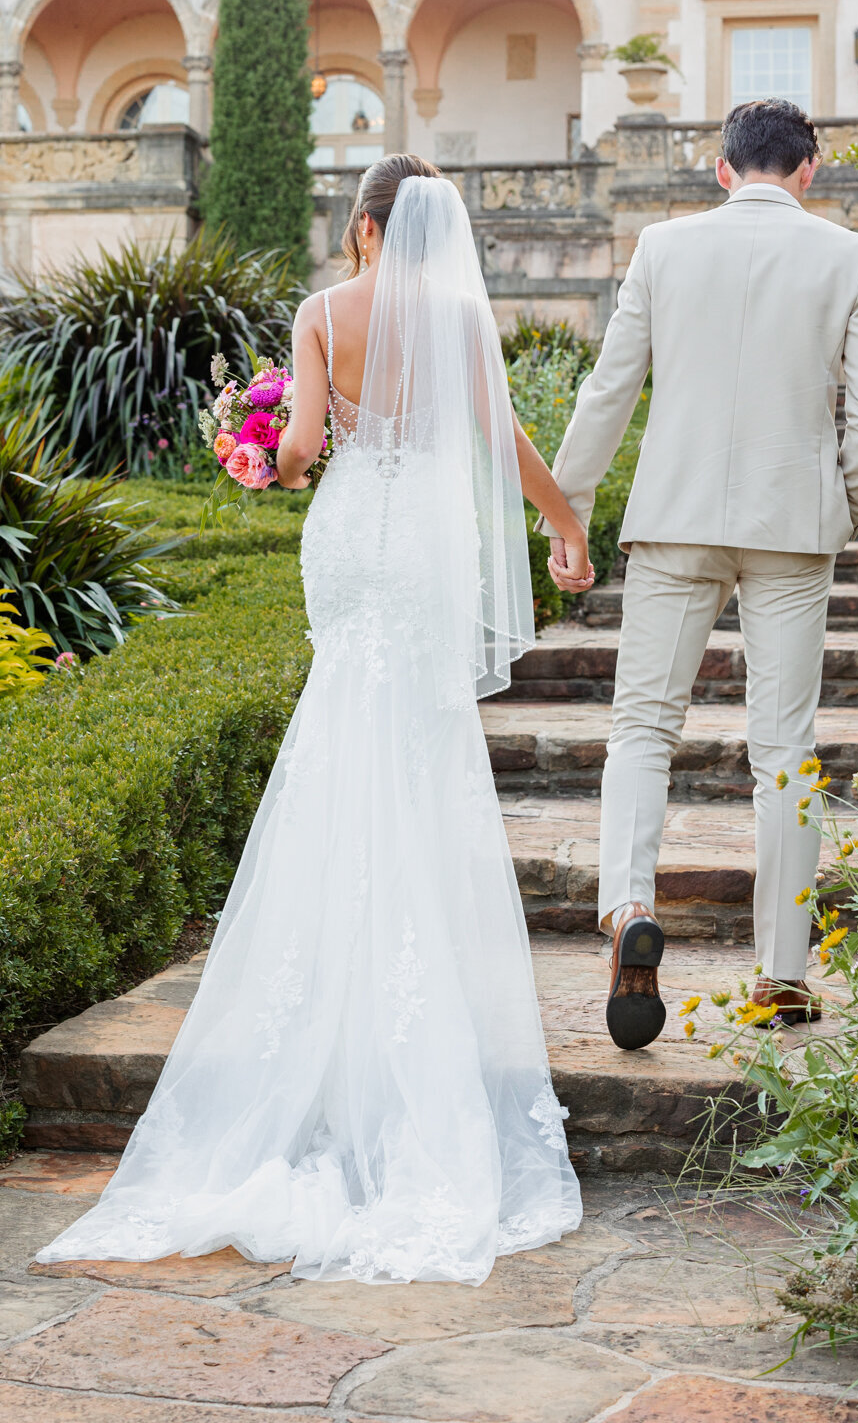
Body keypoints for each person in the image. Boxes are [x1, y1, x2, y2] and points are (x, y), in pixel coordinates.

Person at [36, 155, 594, 1285]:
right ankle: (411, 1044)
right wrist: (566, 526)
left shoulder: (324, 311)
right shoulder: (460, 319)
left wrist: (259, 464)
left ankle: (321, 1037)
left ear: (364, 226)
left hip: (349, 541)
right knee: (421, 754)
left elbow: (298, 451)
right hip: (429, 554)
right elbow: (504, 441)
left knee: (342, 732)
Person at [542, 99, 858, 1049]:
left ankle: (627, 913)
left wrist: (565, 509)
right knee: (783, 750)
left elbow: (608, 388)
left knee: (642, 728)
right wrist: (843, 507)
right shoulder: (849, 259)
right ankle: (781, 972)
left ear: (719, 169)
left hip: (673, 519)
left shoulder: (662, 250)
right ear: (809, 172)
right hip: (791, 526)